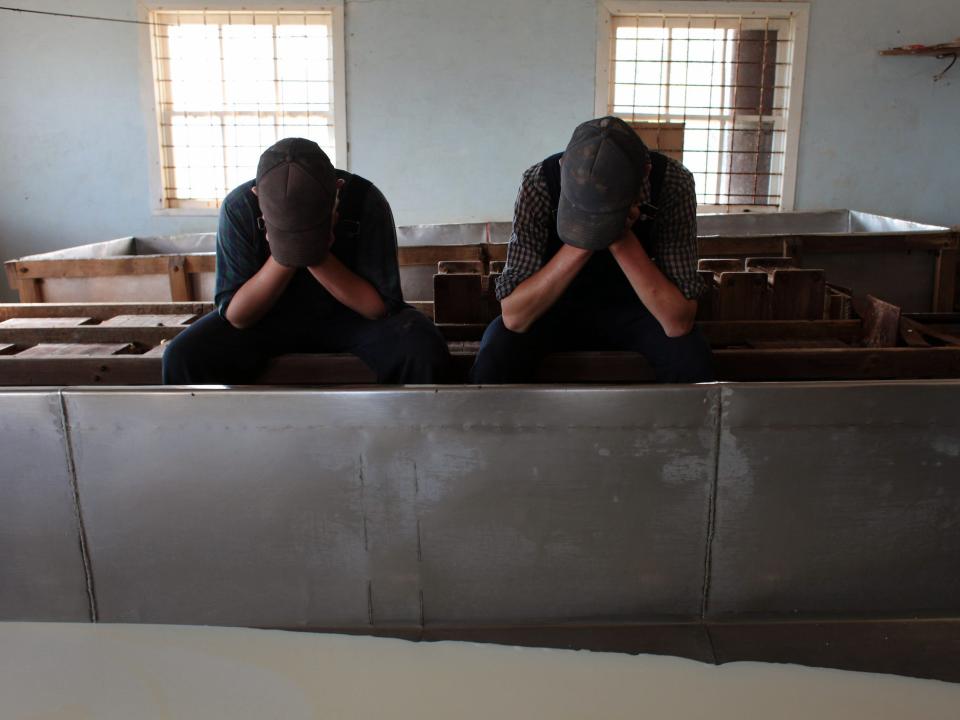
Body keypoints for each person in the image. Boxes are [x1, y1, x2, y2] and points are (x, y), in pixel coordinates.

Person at [163, 137, 451, 385]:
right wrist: (286, 252)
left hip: (352, 318)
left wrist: (316, 252)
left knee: (421, 347)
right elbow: (238, 316)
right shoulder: (239, 207)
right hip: (265, 320)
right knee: (184, 356)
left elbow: (376, 308)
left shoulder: (366, 201)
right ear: (257, 196)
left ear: (338, 190)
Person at [469, 116, 713, 384]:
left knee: (690, 357)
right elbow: (515, 316)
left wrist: (620, 237)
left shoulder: (672, 182)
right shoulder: (540, 181)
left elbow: (677, 322)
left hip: (640, 310)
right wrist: (587, 232)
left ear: (644, 172)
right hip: (553, 309)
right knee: (498, 350)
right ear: (564, 166)